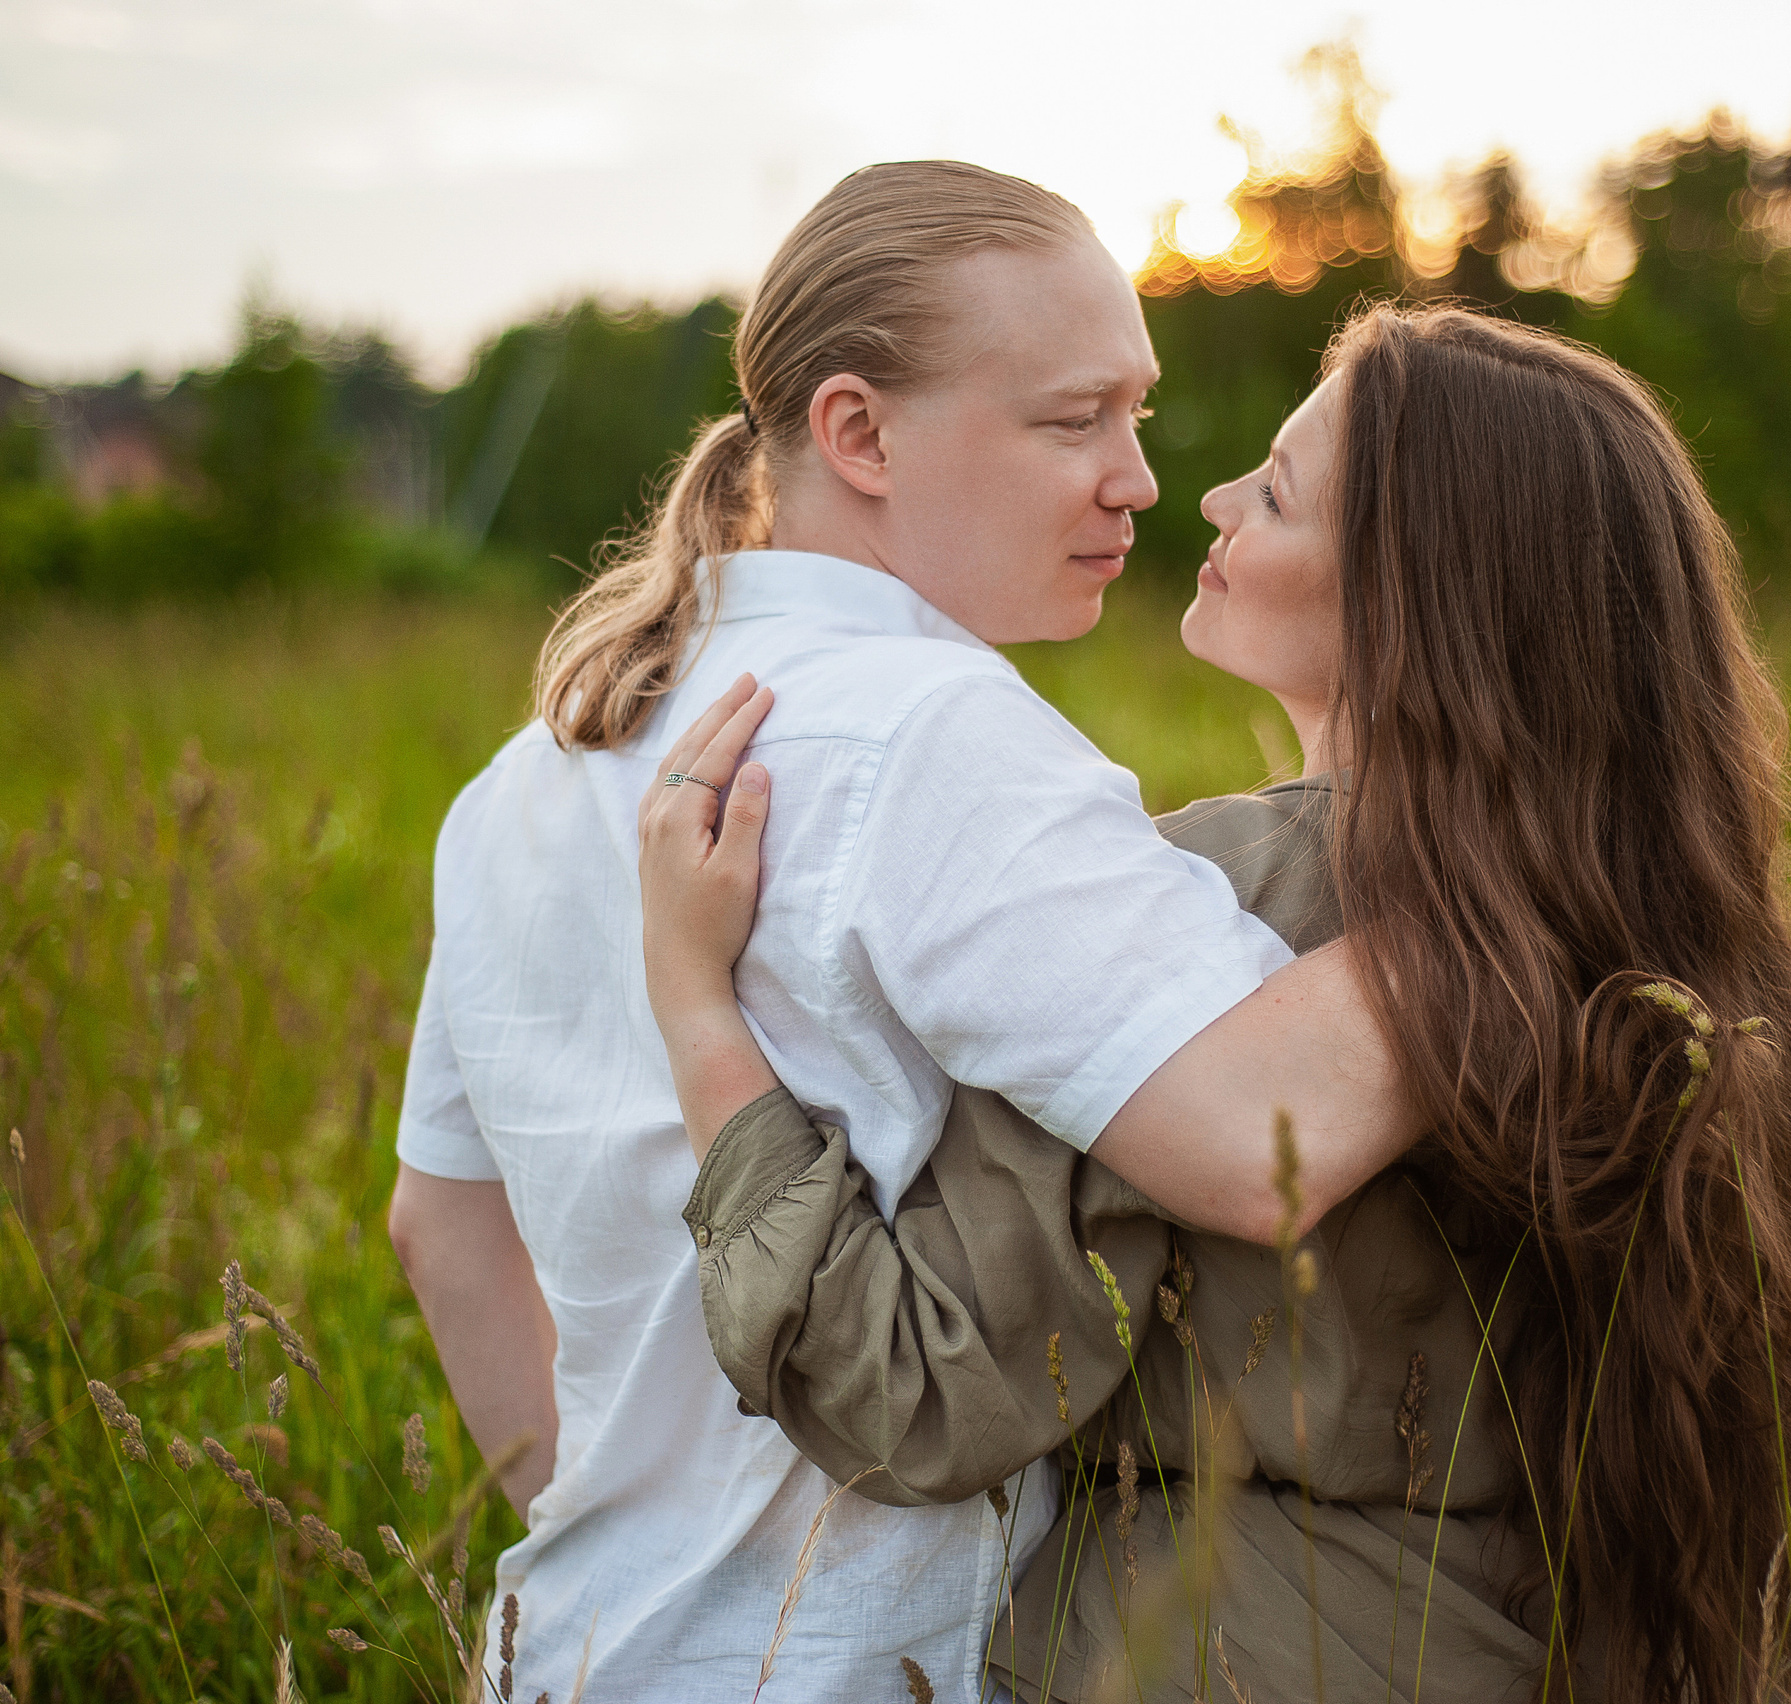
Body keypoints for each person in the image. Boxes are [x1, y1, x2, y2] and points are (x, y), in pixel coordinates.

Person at [637, 305, 1791, 1704]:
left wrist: (695, 1004)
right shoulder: (1680, 957)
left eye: (1277, 492)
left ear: (1417, 593)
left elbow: (905, 1396)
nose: (1211, 498)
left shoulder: (1198, 907)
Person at [387, 162, 1418, 1702]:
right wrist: (1570, 853)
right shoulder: (936, 735)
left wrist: (635, 1534)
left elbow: (441, 1231)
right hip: (861, 1665)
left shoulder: (524, 778)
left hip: (573, 1652)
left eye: (1135, 412)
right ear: (858, 433)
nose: (1136, 476)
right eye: (1074, 421)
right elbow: (1260, 1130)